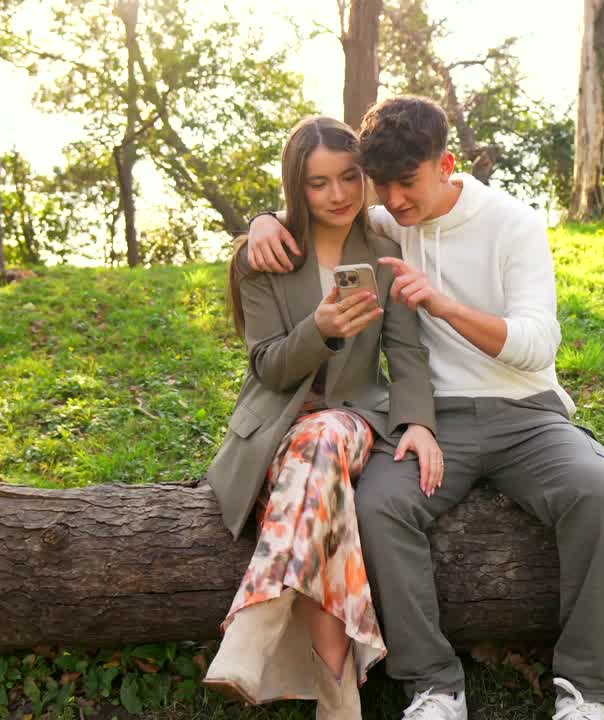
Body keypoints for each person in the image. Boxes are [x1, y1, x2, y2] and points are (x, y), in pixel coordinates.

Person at [246, 96, 604, 720]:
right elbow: (319, 204)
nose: (395, 201)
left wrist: (445, 306)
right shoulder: (385, 222)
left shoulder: (514, 224)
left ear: (446, 164)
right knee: (380, 503)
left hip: (527, 410)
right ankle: (433, 686)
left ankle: (584, 689)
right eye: (384, 186)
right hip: (436, 421)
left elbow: (538, 344)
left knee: (598, 492)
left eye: (408, 183)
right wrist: (263, 219)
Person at [202, 115, 442, 720]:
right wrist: (320, 330)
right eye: (317, 183)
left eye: (349, 177)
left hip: (354, 419)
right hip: (278, 432)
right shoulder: (263, 256)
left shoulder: (385, 250)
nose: (337, 194)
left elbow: (406, 353)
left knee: (326, 435)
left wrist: (418, 421)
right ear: (295, 186)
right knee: (318, 474)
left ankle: (255, 624)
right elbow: (269, 367)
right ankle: (338, 691)